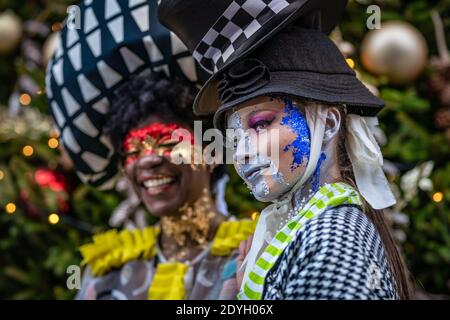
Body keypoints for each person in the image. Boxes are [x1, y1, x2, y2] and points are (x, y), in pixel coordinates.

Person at [159, 1, 413, 299]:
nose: (240, 154)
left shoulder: (331, 240)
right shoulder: (301, 231)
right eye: (235, 138)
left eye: (261, 124)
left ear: (328, 123)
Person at [76, 70, 255, 300]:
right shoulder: (108, 269)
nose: (148, 160)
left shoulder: (253, 252)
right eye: (133, 151)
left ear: (212, 153)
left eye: (169, 143)